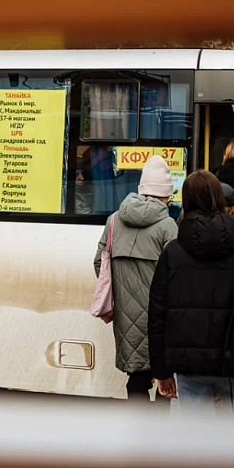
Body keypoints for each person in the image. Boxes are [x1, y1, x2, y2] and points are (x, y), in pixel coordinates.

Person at [148, 170, 234, 421]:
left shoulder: (172, 252)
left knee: (195, 443)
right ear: (221, 200)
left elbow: (157, 315)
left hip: (189, 364)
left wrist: (161, 371)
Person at [94, 156, 178, 402]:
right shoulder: (168, 226)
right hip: (159, 320)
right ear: (165, 195)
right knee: (165, 380)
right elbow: (176, 276)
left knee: (137, 379)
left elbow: (99, 263)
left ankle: (139, 432)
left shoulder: (113, 221)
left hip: (125, 319)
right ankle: (157, 436)